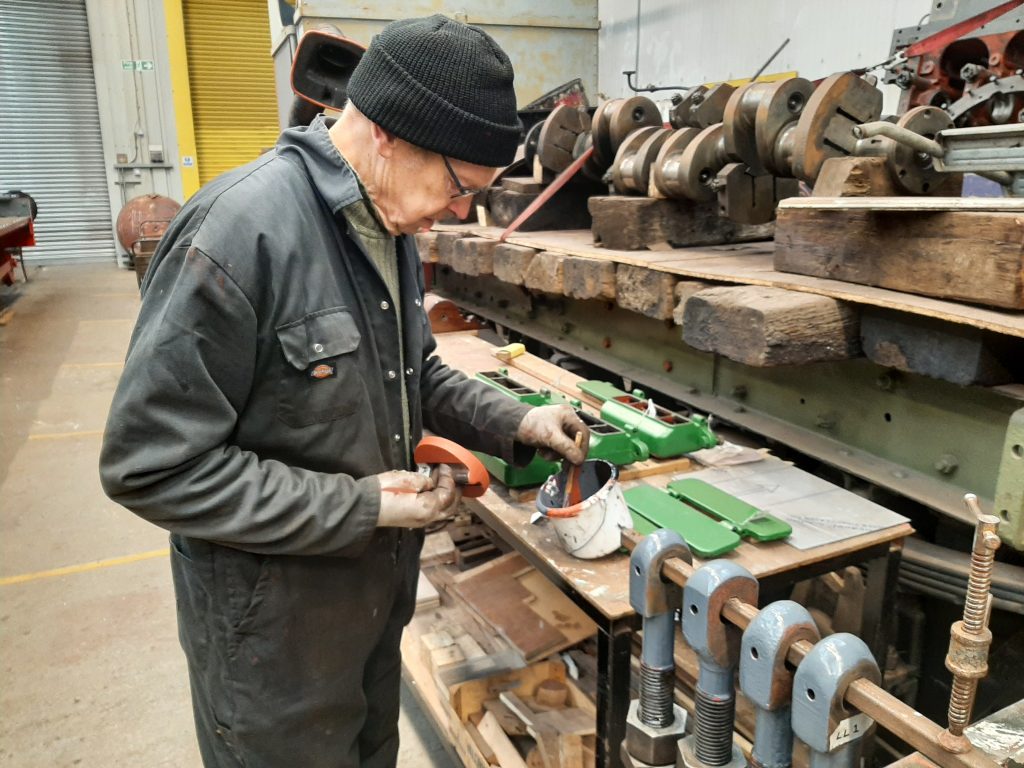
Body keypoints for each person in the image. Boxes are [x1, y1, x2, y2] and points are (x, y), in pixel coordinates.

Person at [99, 15, 589, 768]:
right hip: (270, 647)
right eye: (460, 187)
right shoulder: (237, 235)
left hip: (365, 614)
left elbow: (411, 373)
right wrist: (364, 506)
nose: (459, 213)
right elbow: (151, 464)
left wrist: (519, 421)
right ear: (388, 134)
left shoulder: (384, 223)